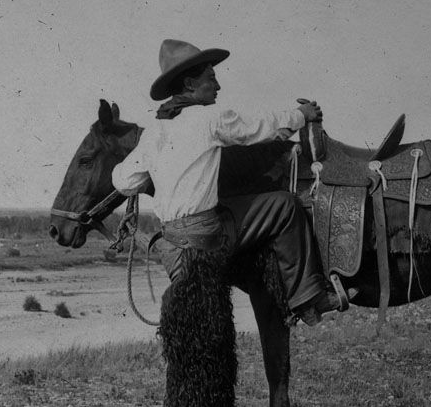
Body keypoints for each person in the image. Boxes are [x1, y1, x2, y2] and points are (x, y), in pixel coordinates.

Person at [112, 39, 343, 325]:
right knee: (285, 206)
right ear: (189, 84)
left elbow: (124, 182)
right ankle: (308, 298)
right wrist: (301, 115)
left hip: (172, 243)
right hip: (207, 236)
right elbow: (259, 126)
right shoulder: (210, 118)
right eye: (211, 79)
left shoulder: (155, 130)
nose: (218, 87)